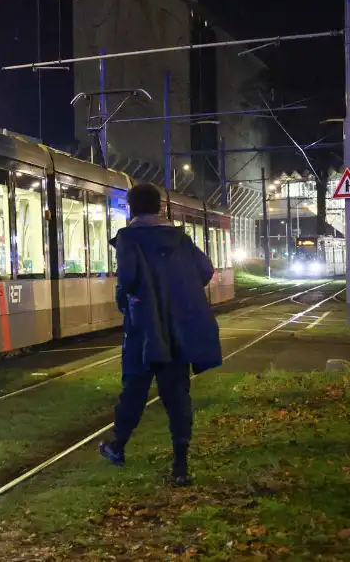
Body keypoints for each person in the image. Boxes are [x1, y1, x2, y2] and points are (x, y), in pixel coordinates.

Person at [99, 184, 223, 486]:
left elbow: (127, 280)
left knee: (134, 391)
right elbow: (206, 269)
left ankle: (117, 446)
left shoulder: (129, 238)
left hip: (144, 328)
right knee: (177, 395)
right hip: (176, 328)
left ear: (131, 209)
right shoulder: (179, 238)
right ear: (160, 208)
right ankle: (180, 465)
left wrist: (130, 296)